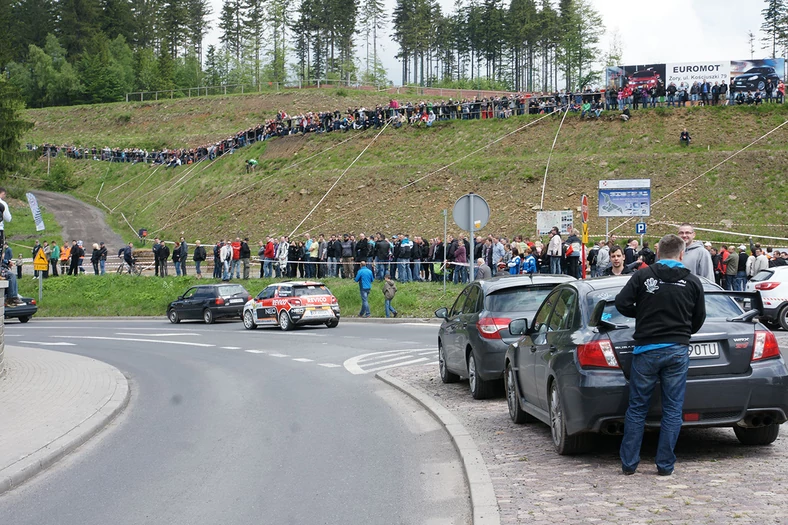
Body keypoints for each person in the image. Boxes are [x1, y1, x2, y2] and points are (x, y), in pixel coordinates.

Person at [615, 234, 706, 476]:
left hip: (646, 350)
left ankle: (629, 463)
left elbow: (621, 302)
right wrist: (682, 332)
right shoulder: (692, 281)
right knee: (673, 409)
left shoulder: (643, 275)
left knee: (637, 408)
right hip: (677, 349)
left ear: (658, 252)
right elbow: (699, 318)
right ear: (681, 254)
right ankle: (665, 465)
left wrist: (642, 314)